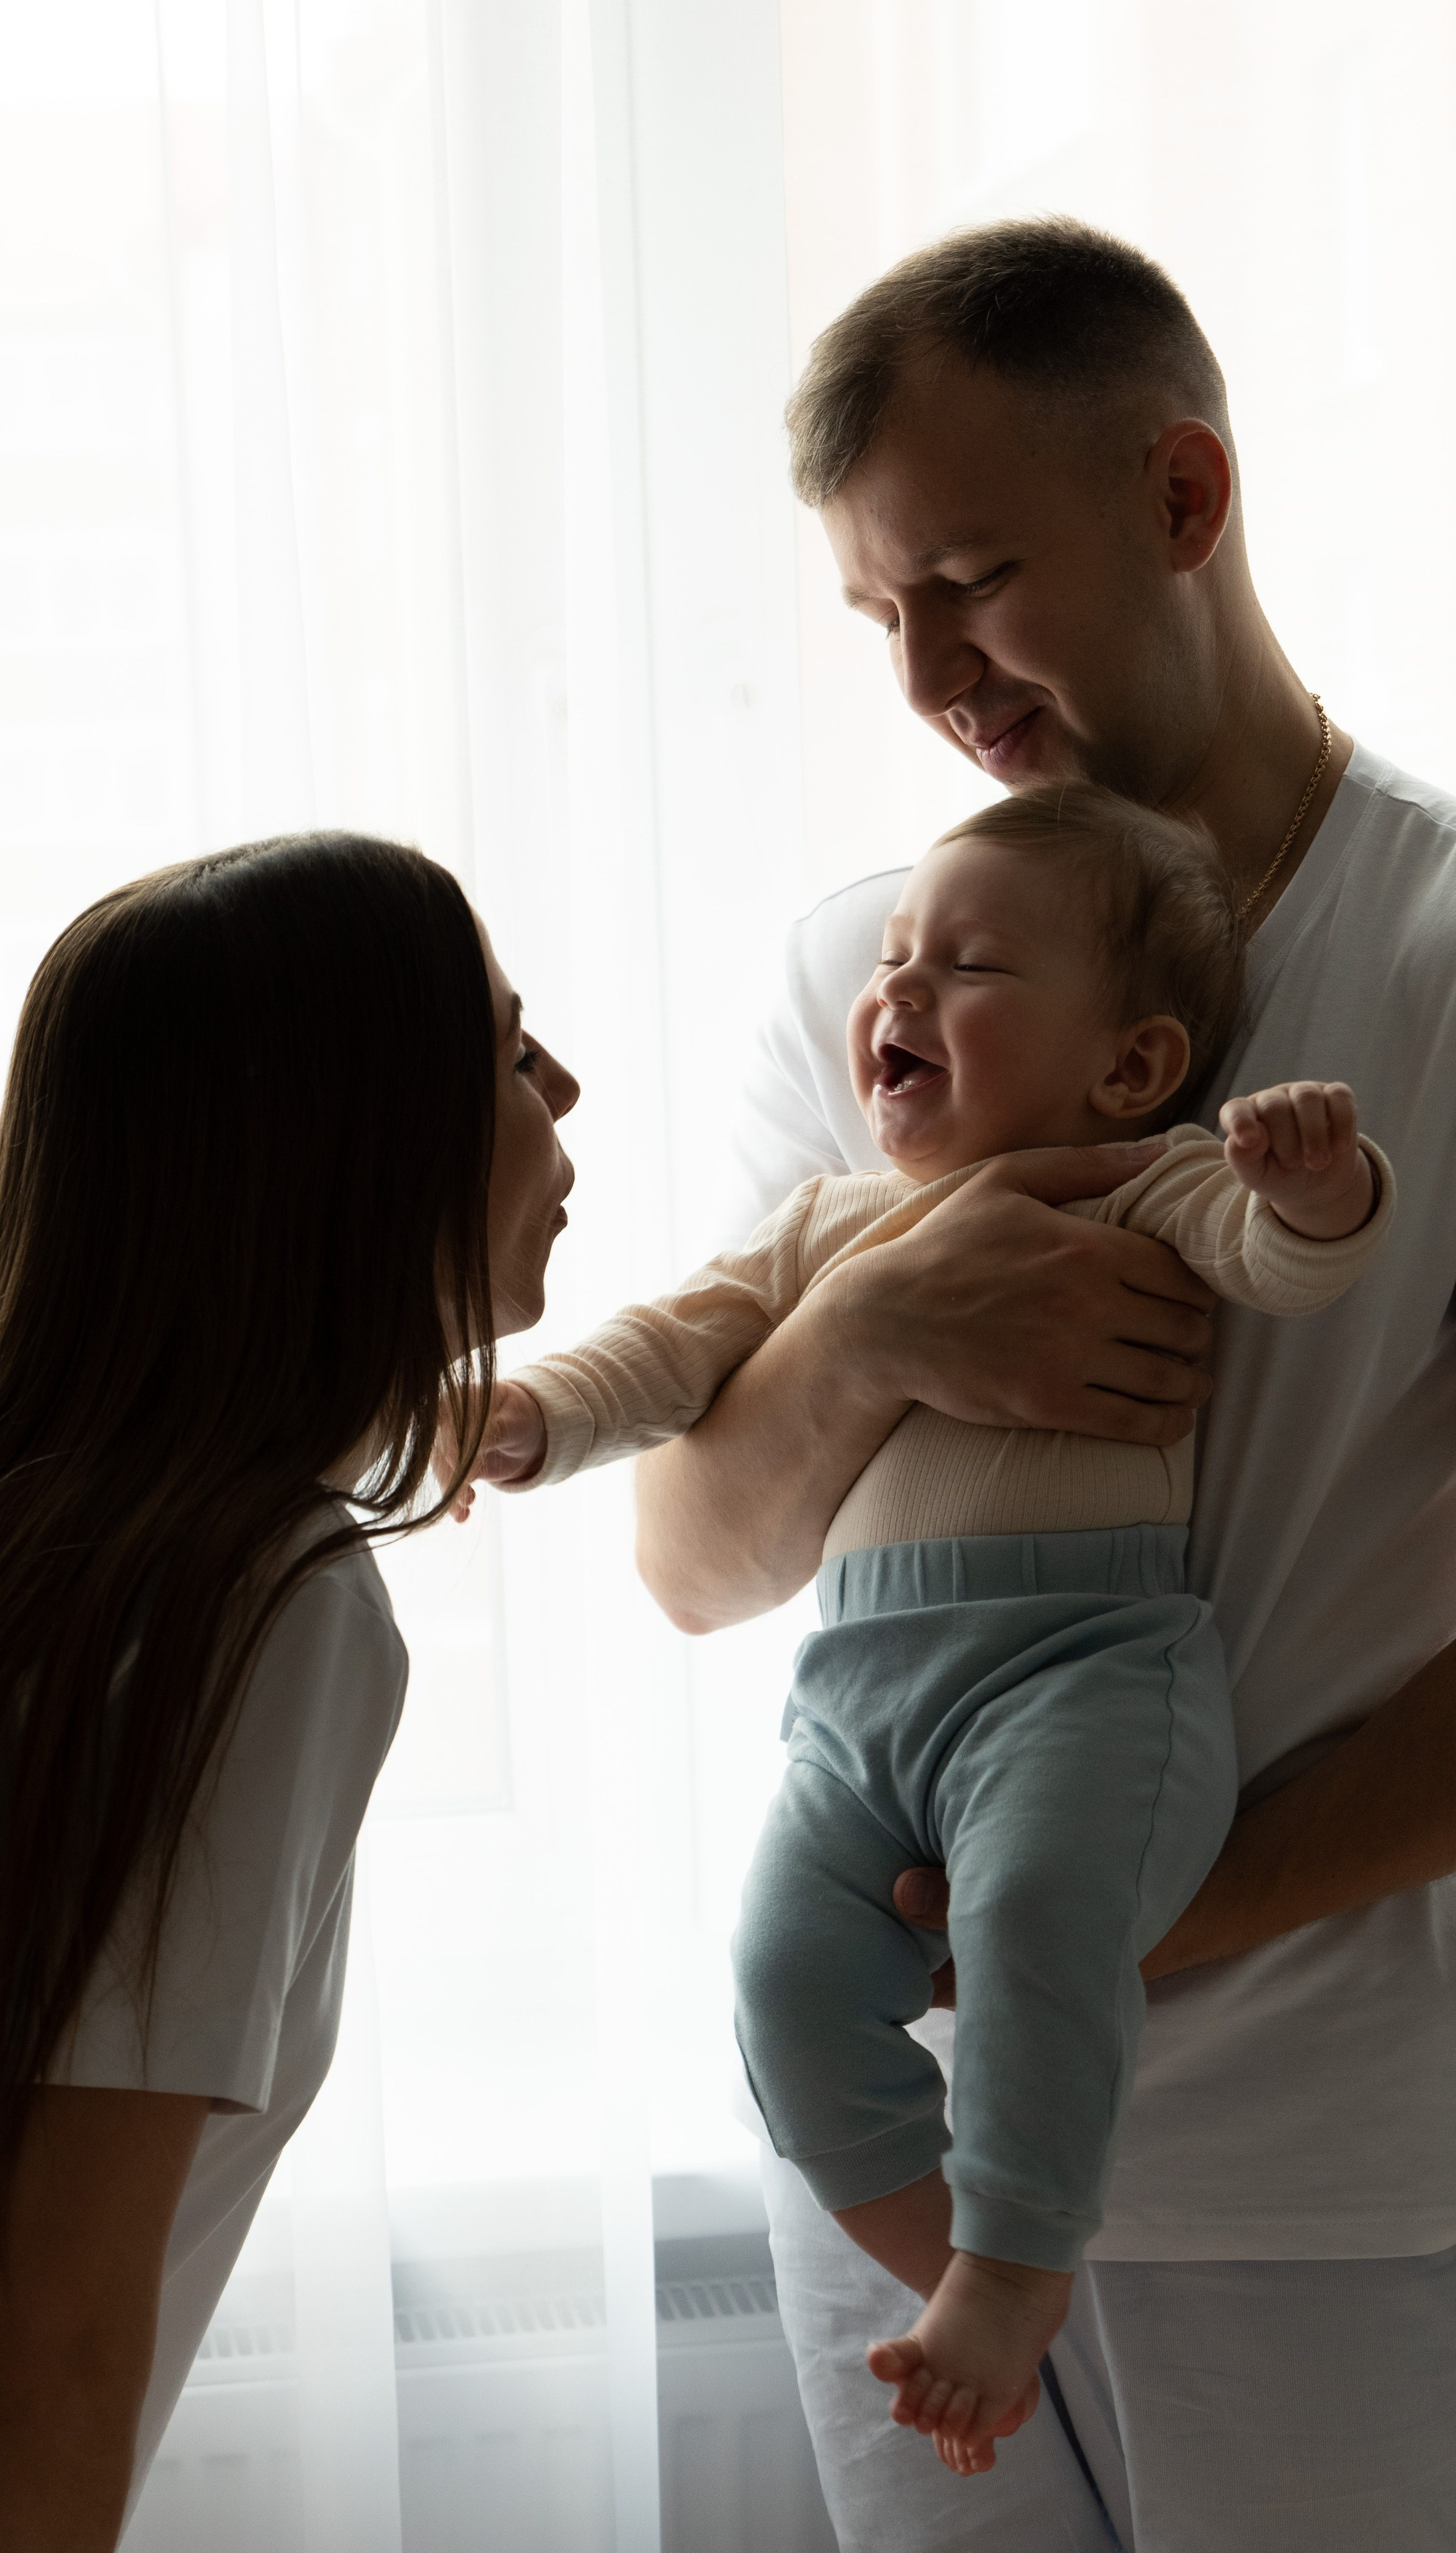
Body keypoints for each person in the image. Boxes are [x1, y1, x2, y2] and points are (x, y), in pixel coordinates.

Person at [633, 218, 1456, 2548]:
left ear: (1184, 502)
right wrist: (878, 1325)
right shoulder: (870, 978)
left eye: (971, 581)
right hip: (895, 2147)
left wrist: (1099, 1925)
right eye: (878, 612)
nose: (925, 672)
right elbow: (693, 1562)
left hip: (1332, 2173)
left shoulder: (1441, 954)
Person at [471, 786, 1391, 2474]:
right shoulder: (829, 1227)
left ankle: (1014, 2261)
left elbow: (1285, 1267)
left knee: (1045, 1914)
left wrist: (1316, 1188)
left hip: (1080, 1675)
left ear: (1124, 1066)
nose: (892, 992)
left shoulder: (1140, 1176)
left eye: (962, 967)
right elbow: (673, 1358)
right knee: (776, 1984)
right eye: (891, 958)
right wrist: (529, 1420)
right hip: (852, 1706)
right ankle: (959, 2273)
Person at [0, 832, 578, 2551]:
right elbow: (52, 2334)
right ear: (352, 1149)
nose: (567, 1087)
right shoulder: (265, 1603)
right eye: (507, 1052)